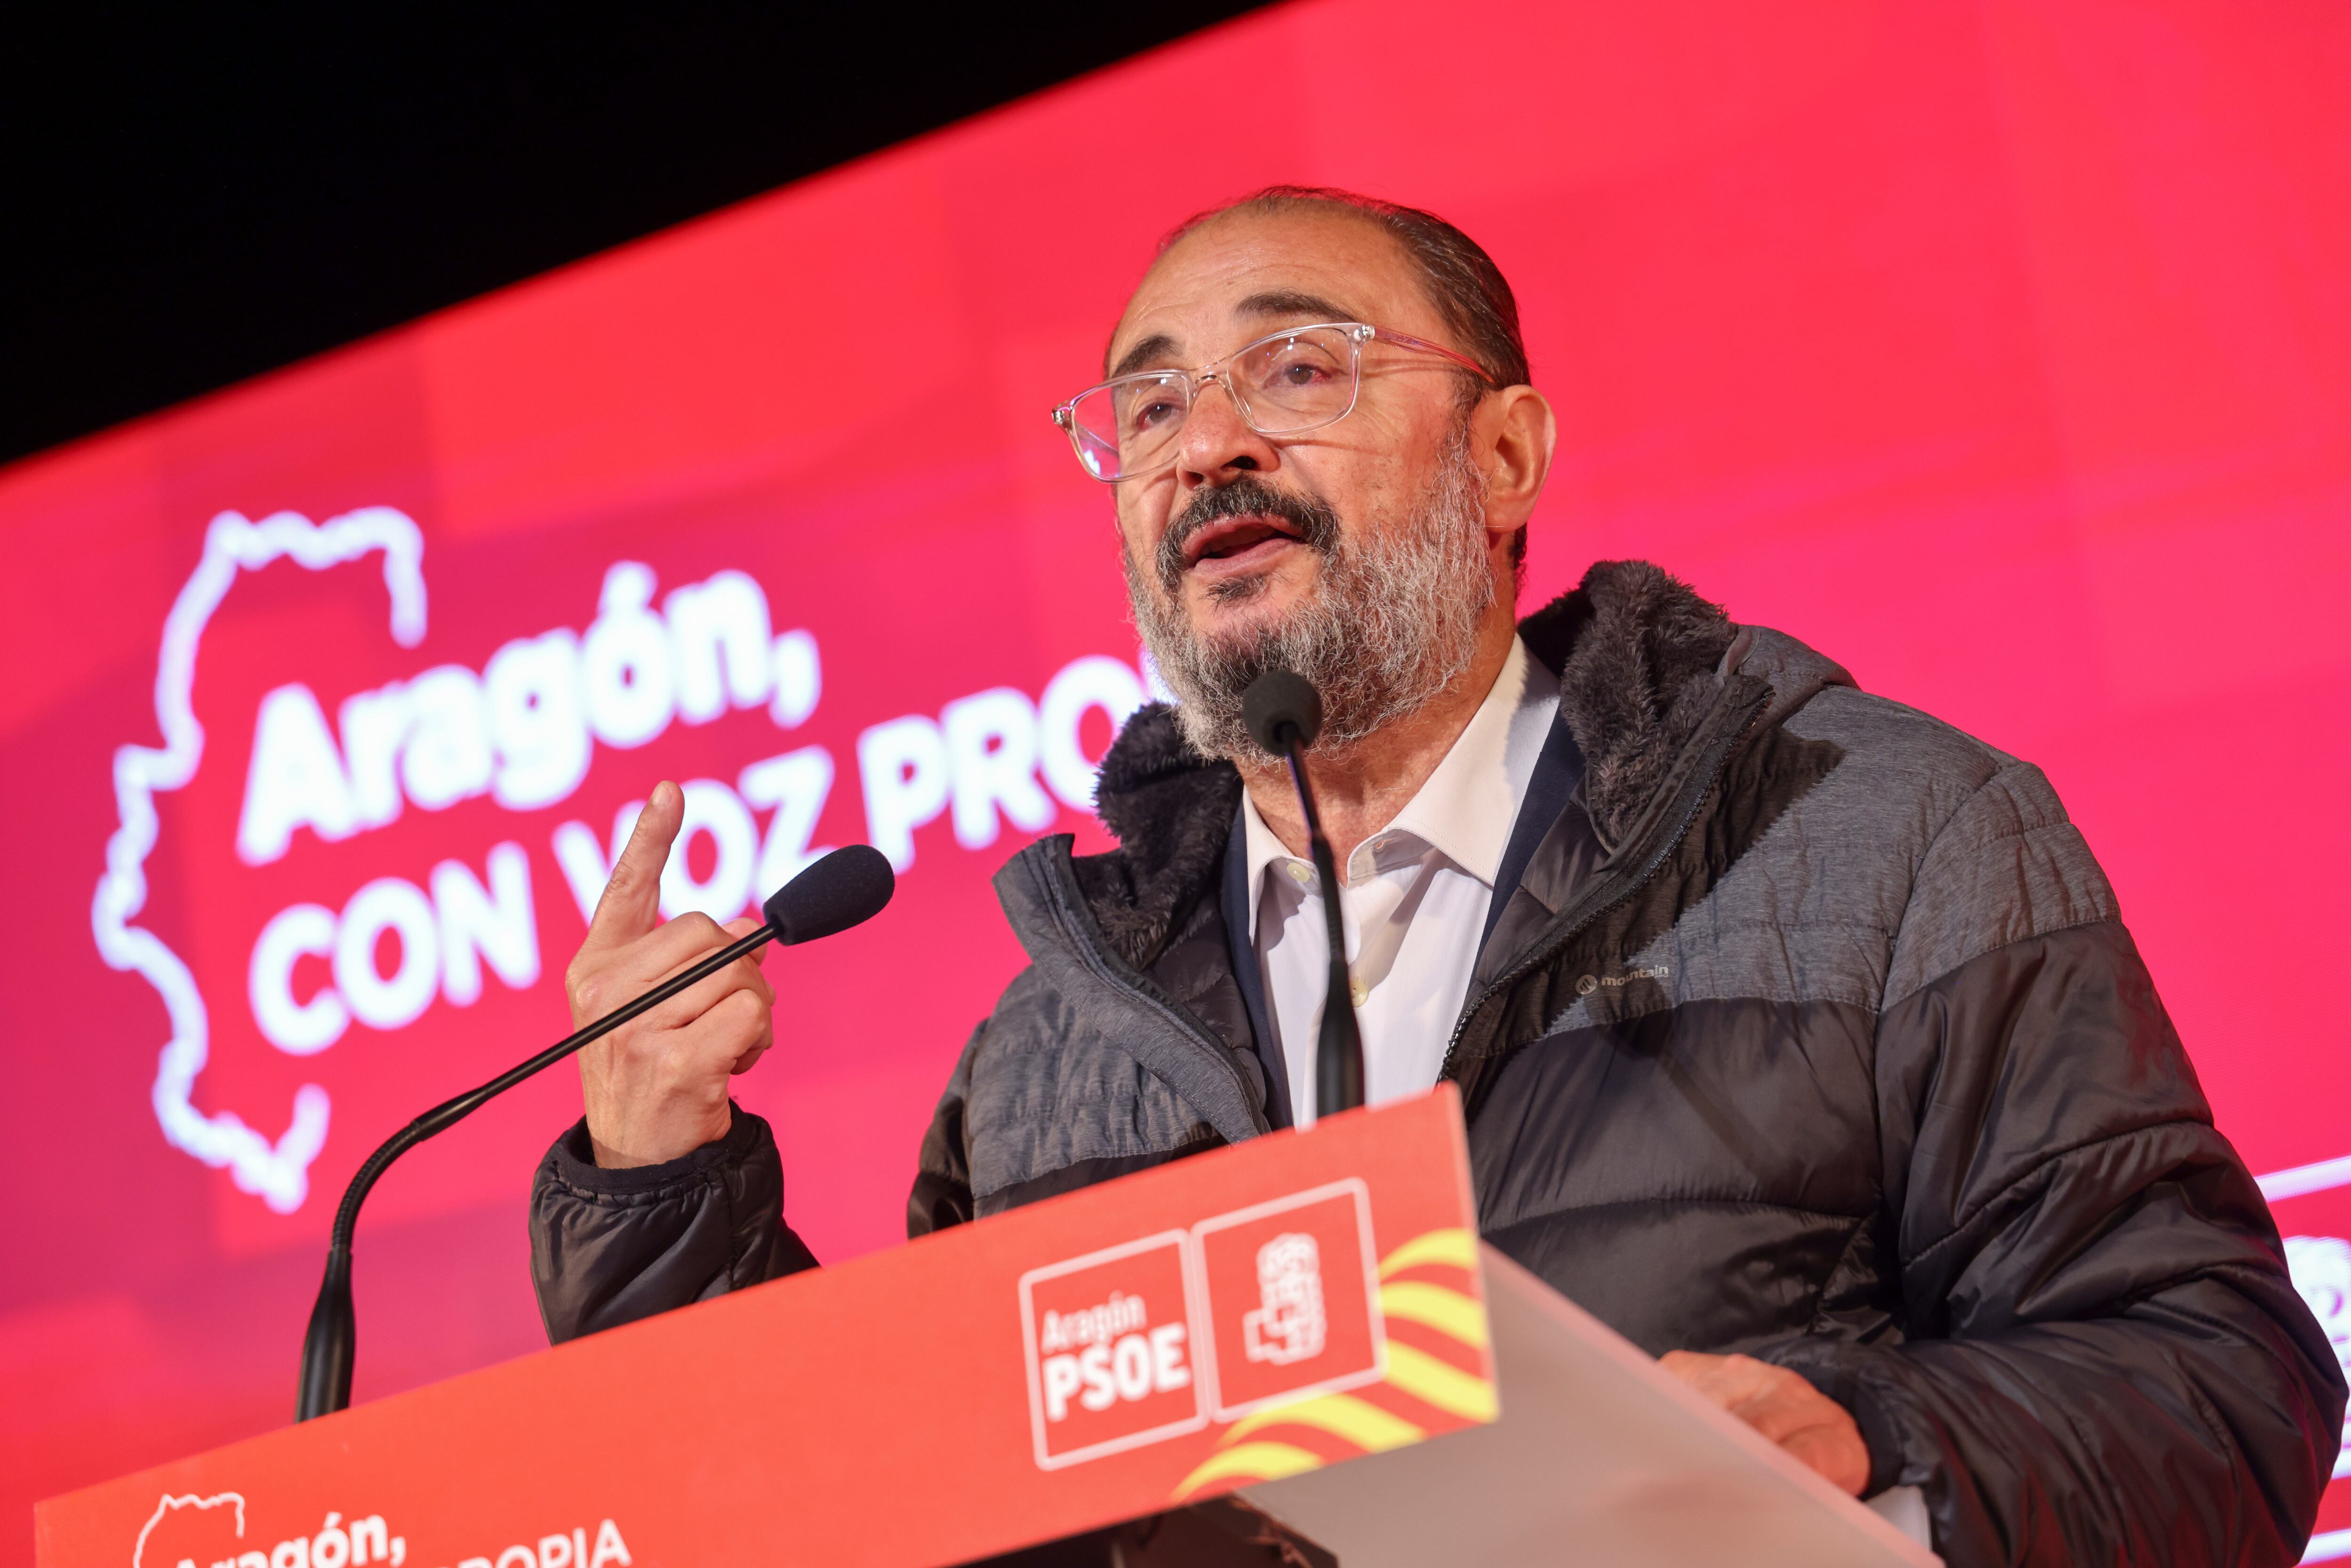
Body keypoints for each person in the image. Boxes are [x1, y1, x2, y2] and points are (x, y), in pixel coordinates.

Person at [527, 187, 2342, 1562]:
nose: (1208, 444)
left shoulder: (1878, 838)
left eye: (1299, 371)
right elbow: (869, 1523)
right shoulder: (1052, 1055)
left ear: (1504, 453)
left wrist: (1864, 1437)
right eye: (1147, 411)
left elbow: (2216, 1386)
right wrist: (658, 1187)